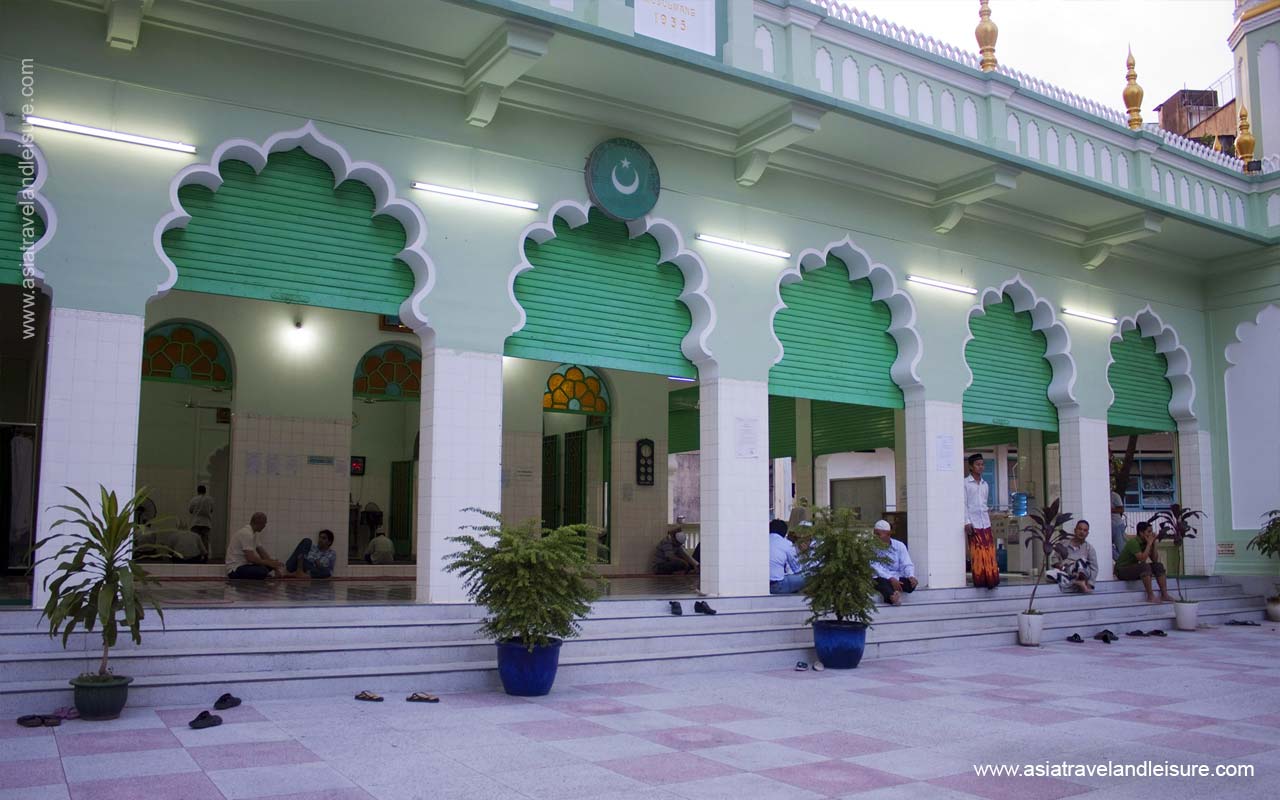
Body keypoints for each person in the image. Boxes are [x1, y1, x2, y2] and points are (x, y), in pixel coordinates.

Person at [1115, 520, 1173, 603]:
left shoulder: (1146, 543)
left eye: (1151, 531)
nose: (1151, 534)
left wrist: (1154, 543)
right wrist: (1149, 544)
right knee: (1144, 566)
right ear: (1141, 533)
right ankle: (1150, 596)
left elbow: (1154, 559)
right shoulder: (1133, 542)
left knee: (1158, 566)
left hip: (1134, 568)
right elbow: (1142, 559)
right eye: (1148, 532)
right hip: (1122, 571)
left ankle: (1164, 594)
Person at [964, 454, 999, 589]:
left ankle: (992, 580)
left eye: (982, 464)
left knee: (989, 551)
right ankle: (980, 580)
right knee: (978, 553)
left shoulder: (985, 484)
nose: (981, 467)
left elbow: (984, 503)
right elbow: (964, 504)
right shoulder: (965, 483)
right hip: (973, 523)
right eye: (978, 464)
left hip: (985, 522)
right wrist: (967, 521)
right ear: (971, 467)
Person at [225, 512, 285, 580]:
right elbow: (250, 558)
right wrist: (269, 563)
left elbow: (263, 554)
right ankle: (262, 574)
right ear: (259, 523)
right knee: (263, 570)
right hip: (235, 570)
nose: (265, 526)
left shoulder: (254, 534)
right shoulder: (246, 534)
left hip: (246, 566)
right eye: (264, 523)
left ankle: (262, 573)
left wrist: (275, 566)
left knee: (271, 563)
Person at [871, 519, 916, 605]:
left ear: (888, 534)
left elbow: (906, 563)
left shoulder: (899, 545)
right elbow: (875, 567)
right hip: (881, 577)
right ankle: (892, 597)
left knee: (911, 584)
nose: (875, 537)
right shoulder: (871, 547)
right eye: (874, 534)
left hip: (897, 577)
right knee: (880, 582)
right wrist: (891, 578)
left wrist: (911, 576)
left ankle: (893, 590)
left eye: (878, 534)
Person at [1057, 520, 1098, 594]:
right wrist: (1061, 565)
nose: (1082, 532)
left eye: (1085, 530)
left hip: (1083, 573)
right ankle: (1077, 583)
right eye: (1080, 529)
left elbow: (1094, 568)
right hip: (1068, 573)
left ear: (1087, 534)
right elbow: (1054, 560)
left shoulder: (1089, 548)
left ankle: (1078, 582)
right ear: (1075, 530)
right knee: (1049, 574)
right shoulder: (1063, 544)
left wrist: (1090, 584)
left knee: (1080, 563)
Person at [768, 519, 808, 594]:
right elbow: (797, 569)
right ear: (784, 533)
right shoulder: (787, 544)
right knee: (809, 577)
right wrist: (804, 553)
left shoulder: (761, 541)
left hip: (761, 585)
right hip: (777, 585)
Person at [1110, 491, 1127, 560]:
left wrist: (1108, 510)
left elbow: (1121, 509)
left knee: (1121, 549)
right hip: (1108, 527)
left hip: (1117, 525)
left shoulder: (1114, 495)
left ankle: (1123, 563)